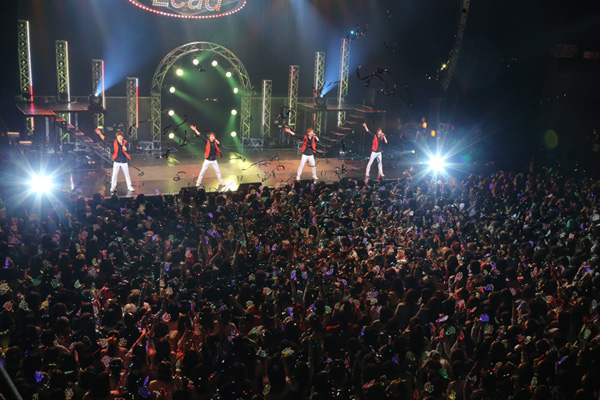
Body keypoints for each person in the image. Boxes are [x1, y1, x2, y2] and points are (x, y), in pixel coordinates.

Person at [95, 128, 135, 193]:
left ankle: (129, 186)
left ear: (122, 137)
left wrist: (121, 144)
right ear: (117, 137)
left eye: (121, 137)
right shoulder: (114, 141)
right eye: (118, 137)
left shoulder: (125, 142)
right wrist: (100, 134)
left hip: (124, 161)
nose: (119, 138)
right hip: (117, 161)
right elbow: (105, 139)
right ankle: (113, 187)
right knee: (114, 175)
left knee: (127, 174)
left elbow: (125, 149)